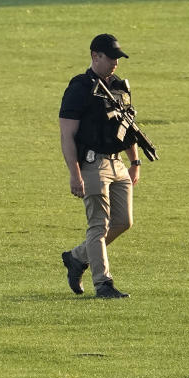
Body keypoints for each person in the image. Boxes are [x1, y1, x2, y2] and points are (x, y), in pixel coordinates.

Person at [58, 34, 141, 299]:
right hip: (92, 163)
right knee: (98, 225)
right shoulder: (79, 87)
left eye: (118, 58)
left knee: (124, 222)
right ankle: (103, 284)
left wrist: (135, 162)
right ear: (95, 56)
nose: (115, 62)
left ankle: (76, 257)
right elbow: (66, 134)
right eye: (110, 57)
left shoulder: (118, 86)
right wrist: (75, 174)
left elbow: (128, 127)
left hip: (117, 163)